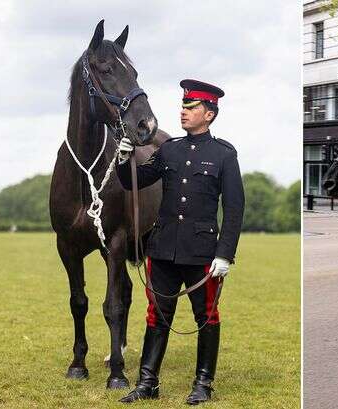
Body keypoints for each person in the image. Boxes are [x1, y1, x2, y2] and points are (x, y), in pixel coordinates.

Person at [116, 79, 244, 404]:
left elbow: (234, 209)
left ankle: (203, 384)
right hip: (162, 249)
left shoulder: (225, 155)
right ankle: (147, 384)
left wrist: (225, 254)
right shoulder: (169, 148)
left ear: (210, 114)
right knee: (157, 315)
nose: (183, 113)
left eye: (191, 108)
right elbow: (136, 182)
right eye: (183, 107)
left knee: (207, 318)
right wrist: (123, 159)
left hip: (202, 253)